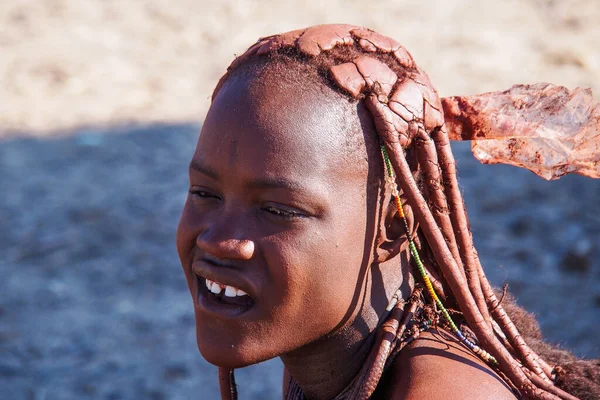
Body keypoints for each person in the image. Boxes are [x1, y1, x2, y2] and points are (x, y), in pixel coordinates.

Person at [176, 24, 599, 399]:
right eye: (205, 194)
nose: (217, 239)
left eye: (276, 209)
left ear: (393, 224)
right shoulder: (332, 354)